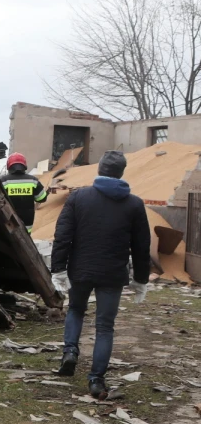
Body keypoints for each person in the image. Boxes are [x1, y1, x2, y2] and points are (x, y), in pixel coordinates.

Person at [50, 150, 151, 399]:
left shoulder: (79, 197)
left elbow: (62, 236)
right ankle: (96, 380)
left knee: (75, 310)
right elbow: (141, 246)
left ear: (100, 170)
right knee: (105, 327)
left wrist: (58, 268)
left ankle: (70, 352)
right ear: (121, 172)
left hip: (80, 270)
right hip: (112, 274)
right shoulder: (134, 204)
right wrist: (141, 279)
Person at [0, 153, 48, 230]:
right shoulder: (33, 181)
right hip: (27, 224)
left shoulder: (4, 181)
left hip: (9, 223)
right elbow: (42, 198)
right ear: (24, 165)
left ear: (9, 166)